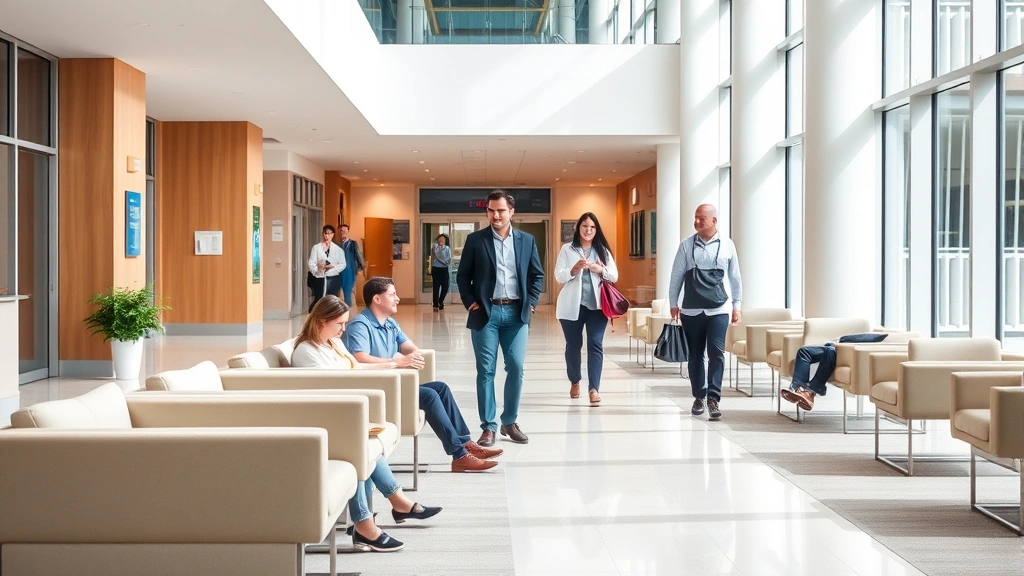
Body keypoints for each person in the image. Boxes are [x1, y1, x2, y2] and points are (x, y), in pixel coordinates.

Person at [291, 297, 443, 552]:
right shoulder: (307, 351)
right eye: (339, 324)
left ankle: (384, 511)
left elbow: (354, 369)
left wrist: (392, 365)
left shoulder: (333, 343)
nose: (343, 330)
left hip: (341, 413)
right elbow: (331, 385)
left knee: (365, 446)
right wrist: (393, 365)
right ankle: (374, 518)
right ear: (320, 322)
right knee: (358, 449)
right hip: (324, 418)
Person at [344, 280, 503, 472]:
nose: (398, 299)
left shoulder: (390, 323)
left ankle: (466, 444)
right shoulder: (360, 325)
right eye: (392, 294)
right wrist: (398, 362)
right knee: (429, 395)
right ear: (377, 299)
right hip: (377, 390)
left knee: (440, 388)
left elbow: (409, 347)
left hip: (394, 385)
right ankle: (459, 455)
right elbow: (359, 358)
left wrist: (412, 354)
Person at [456, 190, 544, 447]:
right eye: (491, 210)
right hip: (486, 313)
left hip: (516, 314)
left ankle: (509, 421)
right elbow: (463, 276)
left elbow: (536, 274)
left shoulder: (526, 240)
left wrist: (533, 302)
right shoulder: (475, 240)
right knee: (486, 371)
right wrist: (470, 302)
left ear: (511, 212)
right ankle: (488, 427)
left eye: (501, 210)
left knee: (516, 367)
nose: (496, 215)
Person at [668, 204, 743, 422]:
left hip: (719, 309)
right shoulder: (686, 245)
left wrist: (737, 305)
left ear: (714, 221)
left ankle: (714, 398)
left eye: (702, 218)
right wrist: (674, 303)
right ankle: (699, 396)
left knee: (717, 354)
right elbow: (676, 276)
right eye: (695, 218)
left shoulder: (727, 245)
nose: (697, 222)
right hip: (691, 309)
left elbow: (735, 277)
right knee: (695, 355)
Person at [554, 212, 618, 406]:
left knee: (595, 345)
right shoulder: (567, 249)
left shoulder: (603, 251)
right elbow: (558, 276)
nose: (588, 230)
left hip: (598, 308)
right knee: (573, 346)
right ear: (578, 228)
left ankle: (594, 389)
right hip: (572, 306)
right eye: (585, 226)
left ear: (596, 230)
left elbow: (614, 276)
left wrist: (601, 270)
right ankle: (575, 381)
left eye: (592, 227)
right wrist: (573, 270)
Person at [780, 333, 889, 411]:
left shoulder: (881, 338)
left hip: (846, 354)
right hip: (833, 346)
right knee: (803, 351)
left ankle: (810, 392)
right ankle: (797, 388)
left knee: (830, 351)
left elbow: (875, 339)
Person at [307, 224, 345, 311]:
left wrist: (331, 268)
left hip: (333, 278)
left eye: (328, 233)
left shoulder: (338, 250)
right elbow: (311, 263)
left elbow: (342, 264)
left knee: (331, 301)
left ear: (333, 234)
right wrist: (318, 269)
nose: (326, 236)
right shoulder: (316, 248)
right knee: (319, 300)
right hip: (319, 277)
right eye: (325, 233)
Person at [338, 224, 365, 307]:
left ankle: (351, 314)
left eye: (345, 230)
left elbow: (359, 257)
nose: (343, 232)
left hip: (350, 272)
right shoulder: (338, 245)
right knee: (341, 294)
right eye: (341, 230)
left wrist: (359, 268)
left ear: (348, 231)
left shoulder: (353, 244)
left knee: (350, 293)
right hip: (339, 273)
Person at [430, 234, 452, 311]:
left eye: (443, 239)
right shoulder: (435, 248)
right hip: (436, 268)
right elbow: (432, 258)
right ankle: (435, 304)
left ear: (445, 241)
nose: (441, 241)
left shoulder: (447, 248)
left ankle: (440, 301)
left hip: (444, 269)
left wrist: (446, 262)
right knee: (436, 287)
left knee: (445, 287)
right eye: (440, 239)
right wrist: (431, 268)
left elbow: (449, 260)